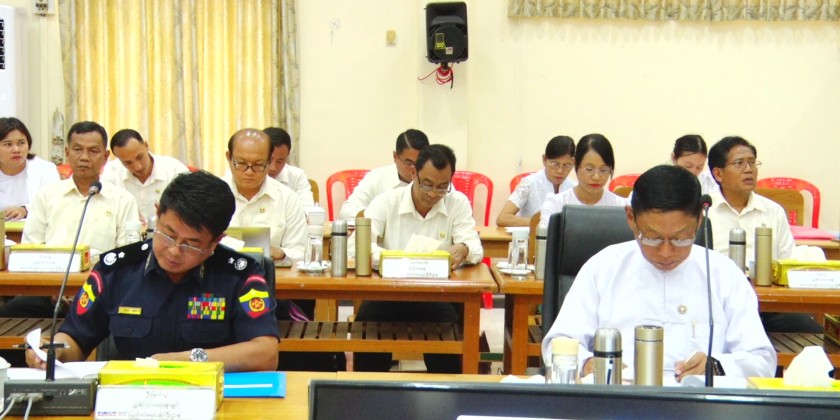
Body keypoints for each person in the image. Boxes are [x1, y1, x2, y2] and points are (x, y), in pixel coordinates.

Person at [25, 171, 280, 372]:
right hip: (131, 397)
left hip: (214, 398)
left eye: (192, 244)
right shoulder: (117, 270)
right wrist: (54, 350)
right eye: (168, 235)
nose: (174, 251)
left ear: (216, 241)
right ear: (157, 213)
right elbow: (76, 339)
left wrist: (188, 359)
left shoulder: (239, 275)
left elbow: (266, 353)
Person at [541, 165, 777, 381]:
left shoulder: (723, 274)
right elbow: (558, 344)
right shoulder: (603, 268)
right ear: (631, 218)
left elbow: (762, 360)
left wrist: (716, 366)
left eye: (680, 238)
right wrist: (588, 363)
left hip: (697, 405)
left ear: (699, 221)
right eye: (652, 238)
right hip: (618, 401)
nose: (666, 252)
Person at [353, 144, 483, 373]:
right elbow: (357, 247)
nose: (433, 194)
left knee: (449, 339)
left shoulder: (457, 202)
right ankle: (368, 390)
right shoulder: (387, 201)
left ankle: (447, 392)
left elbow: (474, 245)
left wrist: (463, 248)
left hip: (435, 295)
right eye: (427, 184)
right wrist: (395, 260)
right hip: (387, 294)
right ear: (413, 173)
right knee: (366, 330)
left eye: (442, 187)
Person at [0, 121, 139, 319]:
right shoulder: (46, 195)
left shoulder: (123, 200)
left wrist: (91, 287)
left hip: (101, 292)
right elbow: (31, 249)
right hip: (50, 292)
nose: (84, 157)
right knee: (7, 316)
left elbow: (126, 258)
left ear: (105, 157)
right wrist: (53, 288)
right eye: (77, 149)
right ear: (67, 152)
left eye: (93, 151)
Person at [707, 136, 821, 333]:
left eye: (752, 162)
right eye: (739, 163)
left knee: (813, 333)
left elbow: (787, 261)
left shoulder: (773, 211)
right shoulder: (704, 210)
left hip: (767, 304)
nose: (749, 169)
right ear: (718, 173)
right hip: (719, 303)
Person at [223, 129, 307, 263]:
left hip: (272, 273)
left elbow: (300, 252)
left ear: (269, 161)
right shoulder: (211, 194)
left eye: (258, 165)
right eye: (241, 163)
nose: (249, 172)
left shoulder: (288, 199)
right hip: (220, 272)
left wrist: (281, 253)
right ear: (229, 157)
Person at [338, 129, 429, 221]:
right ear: (395, 157)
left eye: (419, 163)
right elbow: (346, 212)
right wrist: (378, 214)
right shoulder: (377, 177)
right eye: (408, 163)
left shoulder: (433, 181)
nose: (414, 169)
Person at [101, 129, 190, 221]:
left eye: (140, 157)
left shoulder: (174, 169)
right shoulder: (111, 173)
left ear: (146, 146)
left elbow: (191, 205)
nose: (137, 167)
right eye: (128, 163)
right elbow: (103, 208)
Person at [540, 134, 626, 225]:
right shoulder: (556, 204)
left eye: (603, 170)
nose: (596, 177)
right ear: (575, 164)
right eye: (589, 169)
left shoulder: (621, 207)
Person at [496, 136, 576, 227]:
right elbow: (503, 218)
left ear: (573, 162)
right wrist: (541, 222)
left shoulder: (575, 188)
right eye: (555, 164)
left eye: (566, 165)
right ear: (544, 160)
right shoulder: (530, 183)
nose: (560, 171)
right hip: (532, 234)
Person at [0, 117, 60, 220]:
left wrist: (25, 210)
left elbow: (54, 202)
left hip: (34, 228)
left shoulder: (45, 170)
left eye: (21, 143)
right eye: (8, 144)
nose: (16, 150)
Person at [263, 127, 315, 207]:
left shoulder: (297, 176)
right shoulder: (248, 176)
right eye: (269, 160)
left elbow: (307, 208)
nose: (273, 168)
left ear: (287, 156)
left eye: (280, 161)